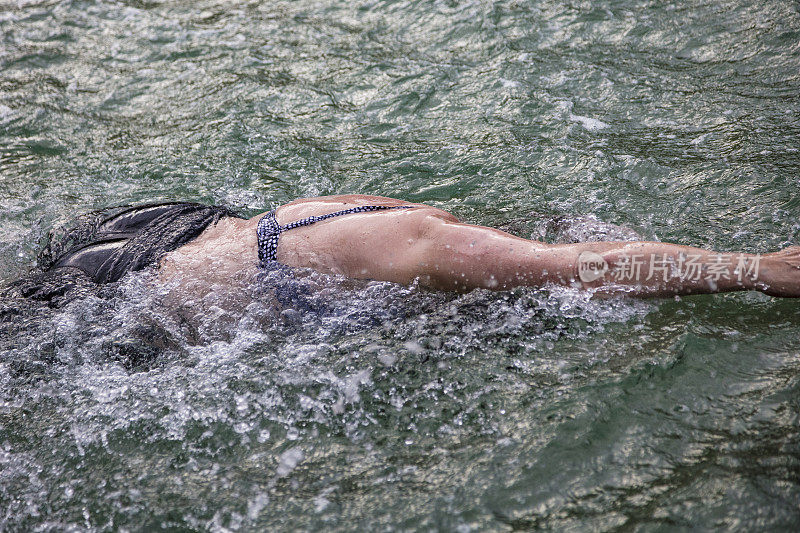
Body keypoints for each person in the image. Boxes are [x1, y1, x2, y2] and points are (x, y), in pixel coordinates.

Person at [9, 194, 800, 305]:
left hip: (141, 242)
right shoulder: (420, 242)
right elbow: (586, 267)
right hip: (128, 313)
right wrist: (759, 269)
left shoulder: (381, 228)